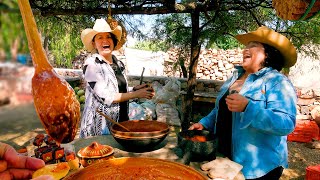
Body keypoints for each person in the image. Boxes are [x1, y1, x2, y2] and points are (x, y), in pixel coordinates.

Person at [189, 26, 297, 179]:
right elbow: (220, 109)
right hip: (225, 160)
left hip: (259, 168)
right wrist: (205, 123)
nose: (245, 49)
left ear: (268, 54)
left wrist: (248, 107)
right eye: (246, 46)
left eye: (253, 46)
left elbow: (286, 124)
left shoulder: (277, 81)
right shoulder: (234, 78)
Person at [79, 18, 154, 138]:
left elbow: (116, 90)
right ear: (94, 43)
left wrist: (134, 89)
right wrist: (136, 95)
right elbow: (106, 97)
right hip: (100, 127)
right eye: (100, 37)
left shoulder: (118, 64)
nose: (105, 40)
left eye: (108, 37)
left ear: (113, 41)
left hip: (121, 121)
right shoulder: (92, 64)